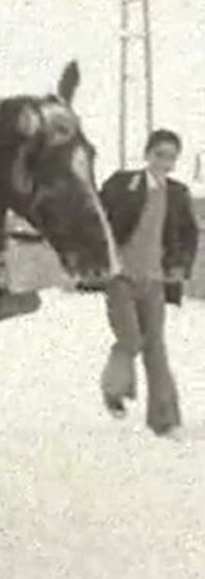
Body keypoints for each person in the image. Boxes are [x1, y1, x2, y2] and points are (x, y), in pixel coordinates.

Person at [98, 129, 199, 437]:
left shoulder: (178, 194)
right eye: (159, 155)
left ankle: (165, 420)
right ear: (147, 154)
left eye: (171, 157)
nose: (165, 163)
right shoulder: (122, 184)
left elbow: (189, 235)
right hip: (120, 278)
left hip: (154, 280)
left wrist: (179, 265)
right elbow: (97, 218)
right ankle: (114, 389)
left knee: (155, 348)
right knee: (130, 339)